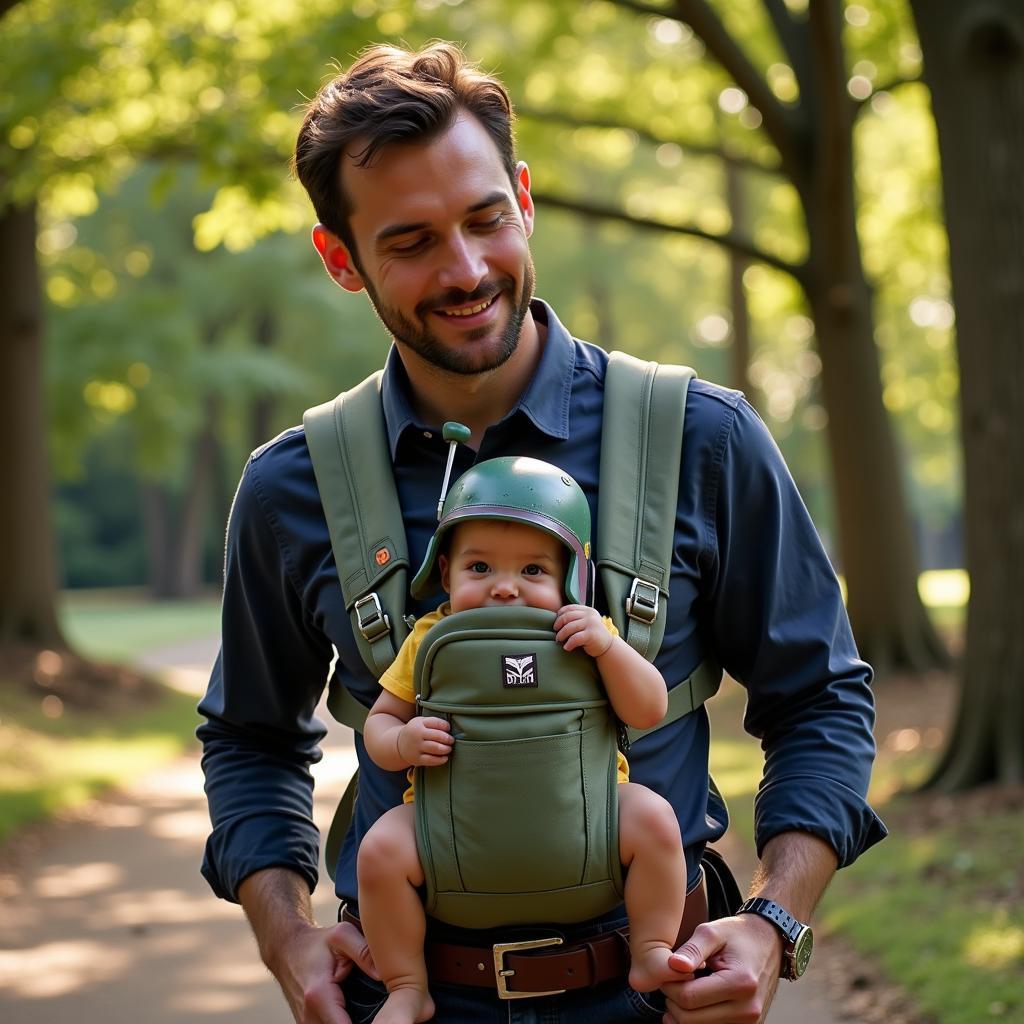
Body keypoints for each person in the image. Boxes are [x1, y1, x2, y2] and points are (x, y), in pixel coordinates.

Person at [198, 41, 886, 1024]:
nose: (466, 268)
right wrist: (285, 934)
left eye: (485, 219)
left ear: (523, 197)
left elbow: (819, 695)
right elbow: (249, 739)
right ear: (341, 260)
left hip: (659, 996)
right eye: (411, 241)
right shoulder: (289, 486)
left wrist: (777, 918)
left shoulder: (704, 437)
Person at [358, 457, 686, 1024]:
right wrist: (404, 740)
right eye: (479, 566)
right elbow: (378, 725)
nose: (505, 588)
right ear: (445, 573)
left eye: (533, 570)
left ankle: (652, 949)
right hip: (447, 828)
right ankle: (407, 983)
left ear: (572, 578)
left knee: (655, 819)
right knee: (381, 852)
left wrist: (607, 648)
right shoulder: (428, 637)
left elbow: (650, 708)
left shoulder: (586, 632)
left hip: (590, 818)